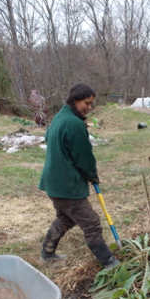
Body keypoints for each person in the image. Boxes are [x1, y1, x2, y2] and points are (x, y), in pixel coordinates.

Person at [39, 83, 119, 269]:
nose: (89, 108)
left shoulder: (59, 117)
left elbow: (48, 136)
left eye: (91, 104)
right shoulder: (74, 124)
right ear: (74, 100)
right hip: (67, 186)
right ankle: (110, 263)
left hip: (53, 183)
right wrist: (91, 174)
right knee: (91, 223)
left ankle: (47, 254)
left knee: (66, 218)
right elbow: (83, 157)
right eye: (86, 103)